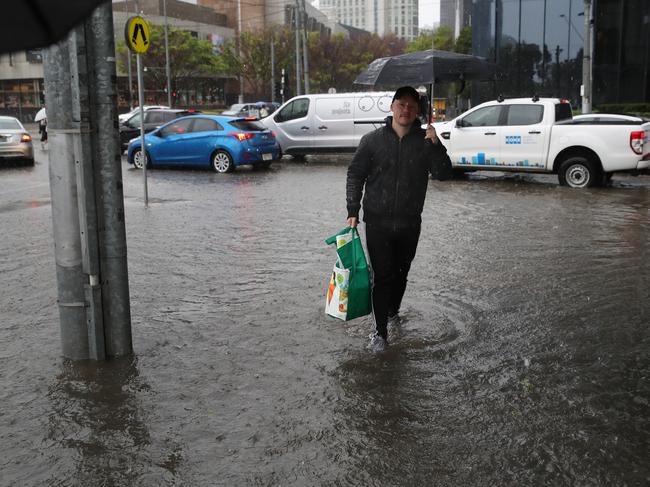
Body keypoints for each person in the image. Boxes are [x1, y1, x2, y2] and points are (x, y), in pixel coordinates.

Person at [345, 86, 452, 352]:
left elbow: (443, 174)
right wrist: (352, 211)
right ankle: (380, 332)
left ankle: (393, 312)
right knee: (382, 276)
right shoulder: (372, 141)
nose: (406, 110)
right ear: (392, 107)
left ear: (418, 112)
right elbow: (355, 174)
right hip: (378, 222)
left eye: (411, 106)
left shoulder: (426, 142)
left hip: (410, 223)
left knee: (401, 275)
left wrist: (436, 145)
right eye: (401, 104)